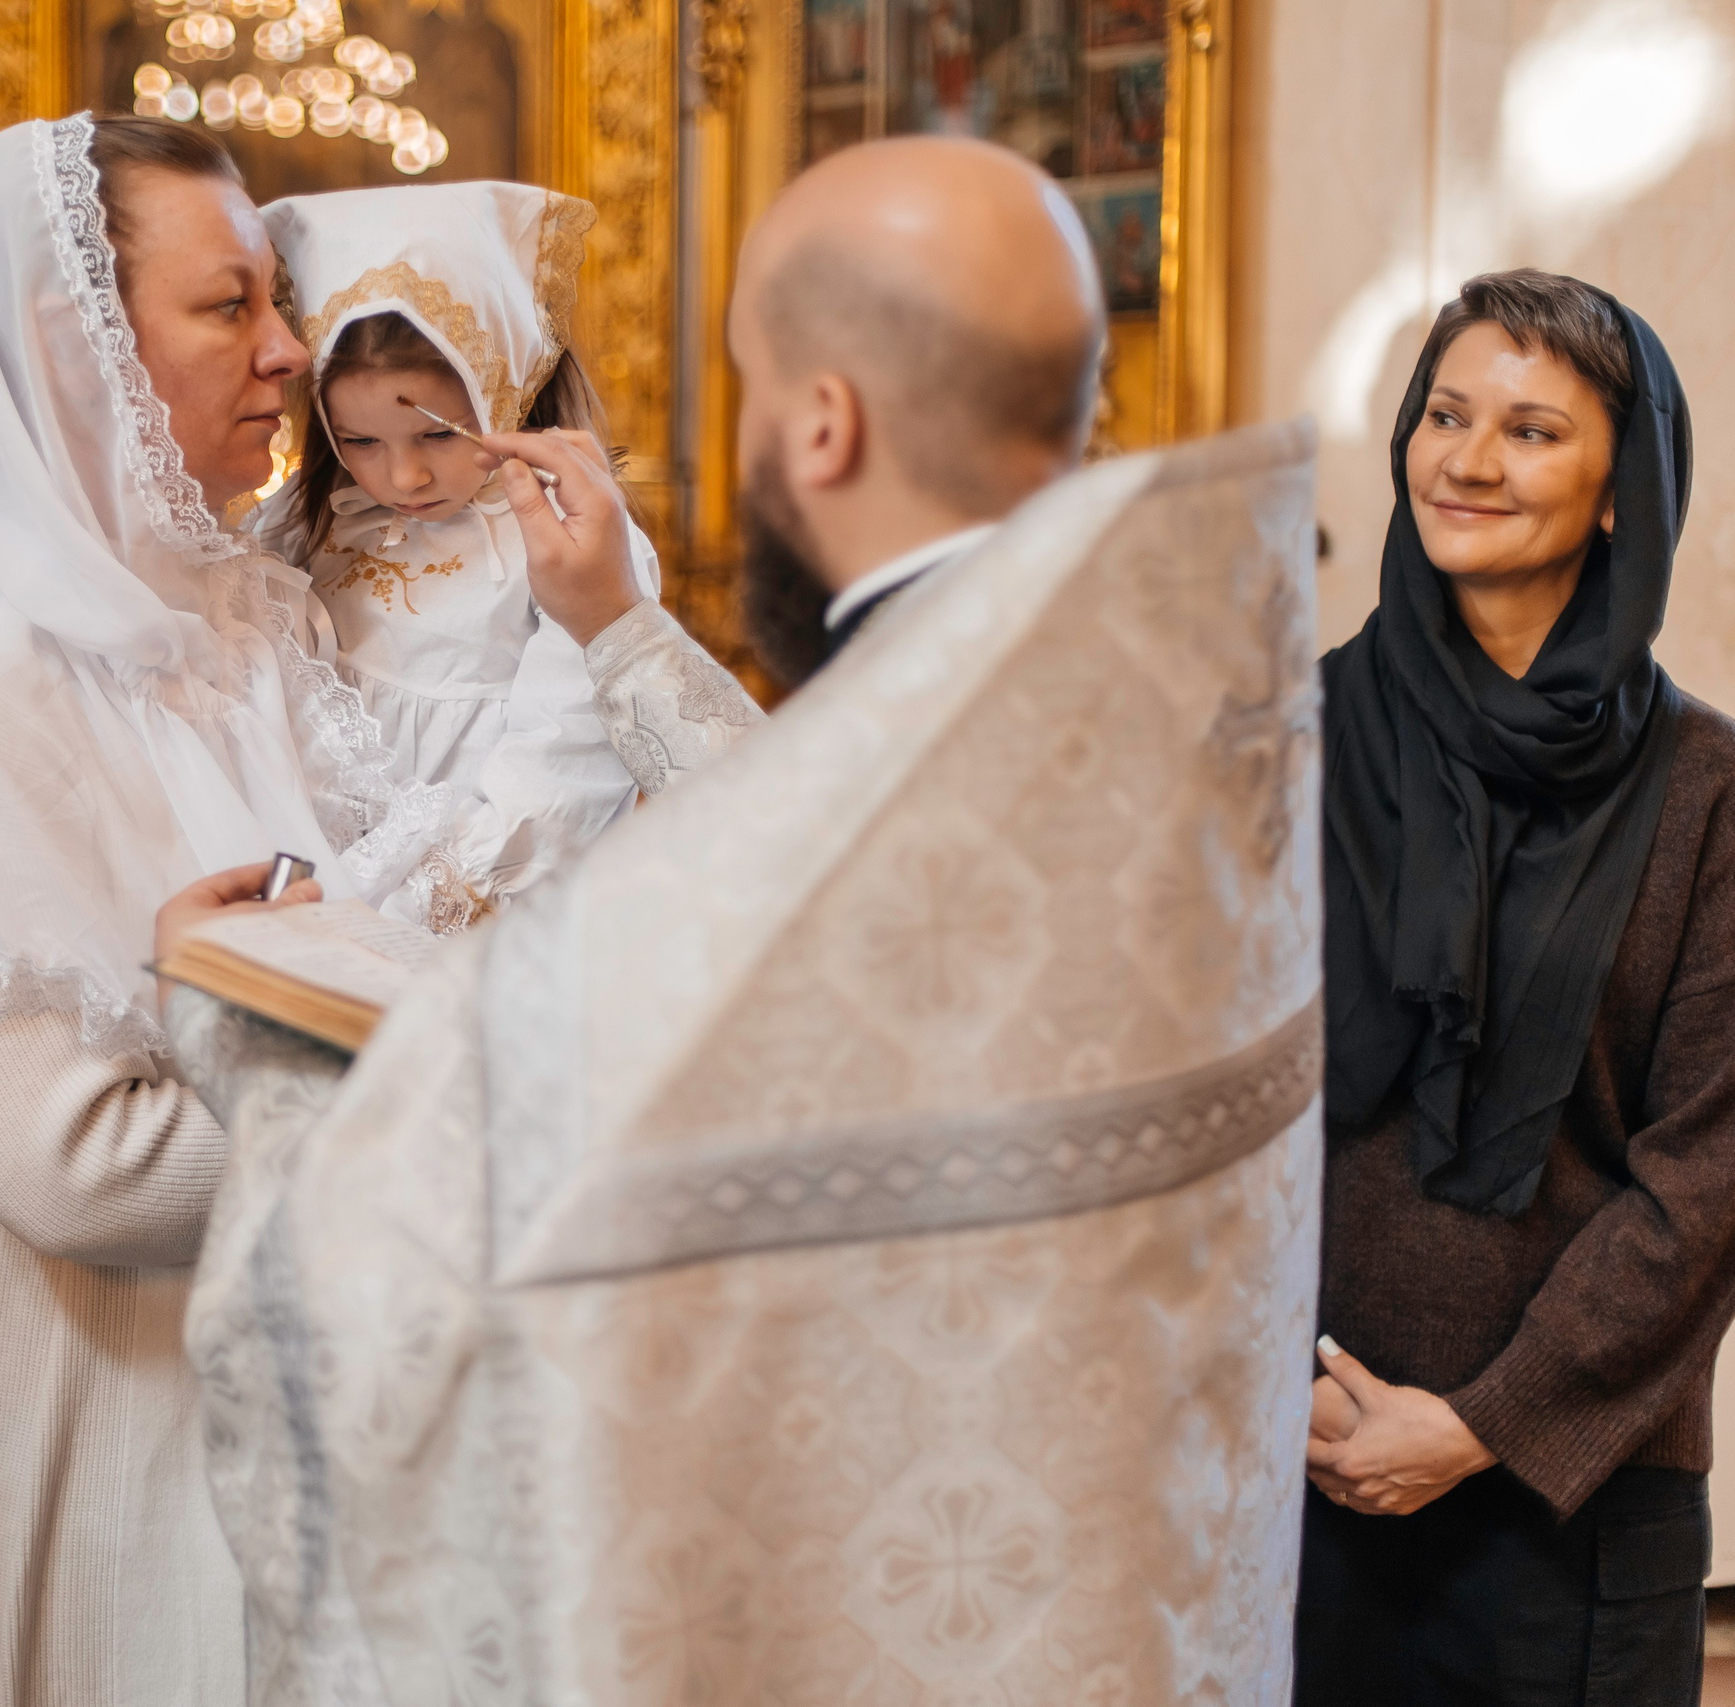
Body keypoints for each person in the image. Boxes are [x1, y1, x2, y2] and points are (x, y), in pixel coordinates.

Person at [162, 134, 1325, 1703]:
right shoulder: (1218, 708)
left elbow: (366, 1288)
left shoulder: (790, 851)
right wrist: (623, 643)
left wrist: (239, 1013)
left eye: (750, 383)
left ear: (821, 423)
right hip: (1135, 1602)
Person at [0, 115, 432, 1705]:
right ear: (69, 341)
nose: (289, 353)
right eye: (229, 309)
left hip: (324, 1400)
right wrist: (448, 1115)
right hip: (128, 1452)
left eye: (273, 302)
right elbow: (73, 1165)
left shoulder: (243, 620)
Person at [1297, 270, 1730, 1706]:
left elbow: (1708, 1181)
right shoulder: (1283, 742)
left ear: (1625, 490)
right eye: (1445, 414)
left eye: (1534, 430)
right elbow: (1209, 1098)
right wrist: (1264, 1379)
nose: (1470, 461)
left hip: (1575, 1511)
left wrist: (1481, 1422)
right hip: (1297, 1471)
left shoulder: (1710, 795)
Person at [252, 181, 659, 932]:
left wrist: (407, 922)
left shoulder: (570, 538)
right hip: (305, 896)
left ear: (506, 388)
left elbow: (561, 764)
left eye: (439, 434)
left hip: (471, 919)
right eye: (361, 441)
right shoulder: (301, 523)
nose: (403, 478)